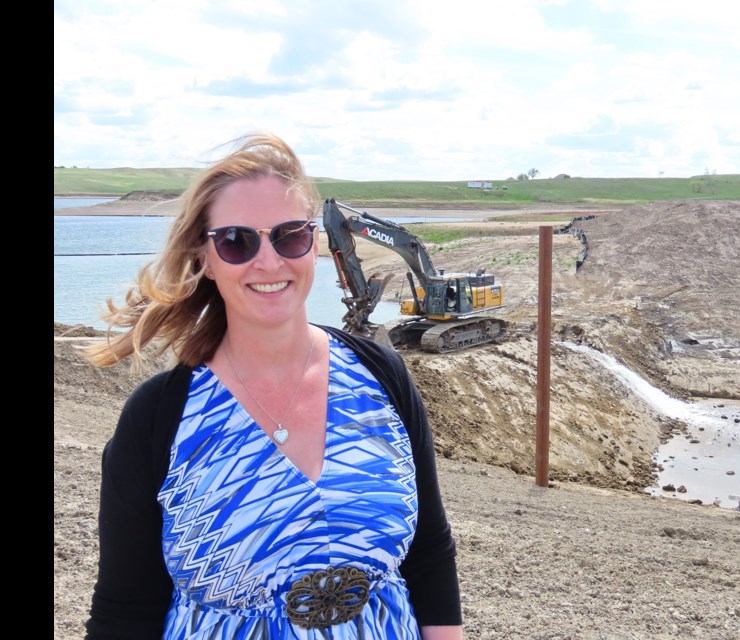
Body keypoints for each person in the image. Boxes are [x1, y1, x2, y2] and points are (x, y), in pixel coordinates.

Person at [83, 133, 464, 639]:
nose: (268, 262)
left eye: (289, 236)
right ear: (206, 258)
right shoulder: (161, 417)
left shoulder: (382, 375)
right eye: (237, 241)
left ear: (315, 245)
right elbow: (124, 613)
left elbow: (430, 555)